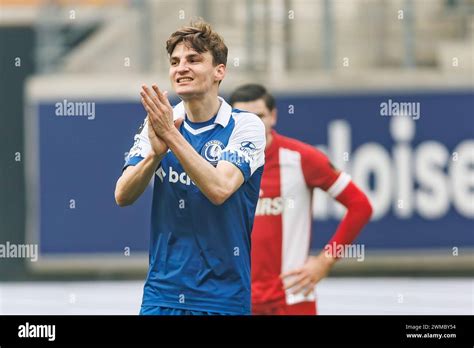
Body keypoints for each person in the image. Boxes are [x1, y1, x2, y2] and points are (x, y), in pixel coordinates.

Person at [114, 22, 265, 315]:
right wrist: (154, 157)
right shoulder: (159, 124)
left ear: (219, 71)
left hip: (223, 296)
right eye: (175, 62)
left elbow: (219, 189)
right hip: (163, 294)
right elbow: (122, 195)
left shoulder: (245, 126)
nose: (181, 68)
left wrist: (170, 137)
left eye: (193, 60)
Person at [230, 84, 372, 315]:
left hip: (293, 298)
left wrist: (326, 260)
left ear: (273, 116)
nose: (252, 125)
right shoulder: (218, 164)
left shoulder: (300, 158)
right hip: (234, 299)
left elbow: (360, 206)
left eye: (259, 116)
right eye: (243, 118)